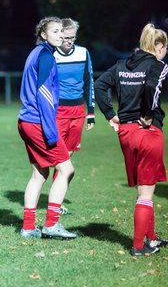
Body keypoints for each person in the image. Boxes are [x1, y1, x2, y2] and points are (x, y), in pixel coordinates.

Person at [94, 23, 168, 256]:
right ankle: (138, 246)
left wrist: (110, 115)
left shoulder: (121, 65)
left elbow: (99, 85)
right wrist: (147, 115)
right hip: (147, 131)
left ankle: (152, 238)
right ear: (158, 46)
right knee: (145, 193)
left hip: (126, 132)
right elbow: (150, 86)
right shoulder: (158, 65)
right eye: (165, 47)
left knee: (147, 186)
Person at [18, 16, 77, 239]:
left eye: (62, 31)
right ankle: (52, 224)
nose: (60, 35)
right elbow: (43, 94)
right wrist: (50, 130)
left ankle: (28, 227)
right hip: (37, 122)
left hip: (26, 120)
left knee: (39, 174)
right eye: (55, 31)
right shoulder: (44, 56)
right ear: (43, 34)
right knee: (66, 170)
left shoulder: (37, 53)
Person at [53, 18, 95, 214]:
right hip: (58, 112)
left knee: (67, 156)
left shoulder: (83, 53)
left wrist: (91, 112)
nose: (70, 41)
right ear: (59, 36)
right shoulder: (51, 55)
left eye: (73, 37)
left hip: (78, 112)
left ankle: (56, 200)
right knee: (61, 158)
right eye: (66, 37)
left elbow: (89, 82)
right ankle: (56, 203)